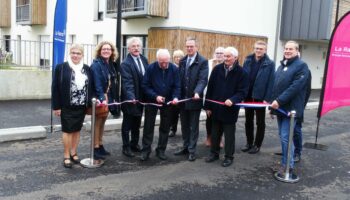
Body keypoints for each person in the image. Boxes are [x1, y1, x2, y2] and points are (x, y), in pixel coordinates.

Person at [204, 47, 249, 167]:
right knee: (215, 133)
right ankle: (214, 153)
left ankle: (229, 157)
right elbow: (210, 88)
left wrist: (233, 100)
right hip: (215, 108)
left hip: (230, 109)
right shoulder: (217, 69)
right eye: (225, 56)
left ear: (235, 57)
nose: (226, 58)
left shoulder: (242, 73)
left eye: (228, 56)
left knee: (229, 135)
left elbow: (243, 91)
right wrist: (207, 106)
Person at [270, 40, 310, 175]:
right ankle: (285, 162)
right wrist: (273, 107)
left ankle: (288, 165)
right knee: (283, 136)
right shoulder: (282, 66)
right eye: (286, 48)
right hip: (280, 108)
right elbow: (276, 87)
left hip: (290, 110)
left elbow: (295, 87)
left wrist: (279, 101)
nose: (287, 51)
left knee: (286, 137)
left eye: (290, 49)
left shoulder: (302, 66)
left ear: (297, 51)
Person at [52, 44, 93, 168]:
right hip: (66, 105)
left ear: (82, 55)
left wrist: (89, 104)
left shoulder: (86, 69)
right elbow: (55, 88)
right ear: (70, 54)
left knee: (76, 130)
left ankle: (74, 152)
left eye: (78, 53)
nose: (75, 55)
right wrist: (56, 106)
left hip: (81, 106)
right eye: (73, 53)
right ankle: (66, 155)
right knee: (67, 130)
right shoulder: (62, 68)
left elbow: (89, 87)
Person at [140, 49, 181, 161]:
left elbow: (177, 86)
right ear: (157, 59)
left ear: (169, 59)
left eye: (166, 62)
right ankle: (145, 151)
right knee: (148, 126)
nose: (164, 64)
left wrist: (175, 97)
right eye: (161, 62)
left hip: (168, 102)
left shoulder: (174, 69)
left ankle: (161, 150)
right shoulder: (151, 68)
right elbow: (145, 85)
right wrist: (155, 96)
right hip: (152, 101)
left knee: (165, 127)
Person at [174, 37, 208, 161]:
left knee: (193, 126)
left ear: (196, 47)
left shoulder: (203, 61)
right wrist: (176, 96)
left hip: (195, 100)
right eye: (187, 46)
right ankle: (185, 146)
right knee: (184, 125)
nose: (189, 48)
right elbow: (178, 80)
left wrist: (198, 92)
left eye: (191, 46)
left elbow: (203, 79)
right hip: (183, 100)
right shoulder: (182, 61)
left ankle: (192, 150)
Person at [241, 40, 275, 154]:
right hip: (248, 96)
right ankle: (249, 143)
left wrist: (267, 98)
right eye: (256, 48)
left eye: (261, 49)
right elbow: (243, 77)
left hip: (260, 97)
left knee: (260, 122)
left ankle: (257, 145)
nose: (258, 50)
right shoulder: (248, 60)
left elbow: (271, 82)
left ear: (265, 50)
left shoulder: (270, 63)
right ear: (254, 48)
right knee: (248, 121)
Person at [120, 37, 149, 157]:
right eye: (133, 46)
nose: (136, 48)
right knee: (127, 124)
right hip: (130, 98)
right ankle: (126, 147)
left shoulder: (144, 59)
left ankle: (134, 144)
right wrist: (131, 97)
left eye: (138, 46)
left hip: (141, 98)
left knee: (137, 123)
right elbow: (127, 82)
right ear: (129, 48)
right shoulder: (125, 63)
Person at [90, 41, 119, 160]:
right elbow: (97, 83)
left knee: (102, 123)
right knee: (97, 123)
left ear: (112, 51)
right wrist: (102, 98)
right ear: (99, 51)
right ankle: (95, 148)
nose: (106, 51)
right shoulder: (96, 64)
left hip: (108, 97)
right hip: (100, 97)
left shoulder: (110, 64)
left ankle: (100, 144)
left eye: (108, 49)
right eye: (104, 49)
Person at [205, 46, 225, 147]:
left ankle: (220, 139)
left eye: (221, 53)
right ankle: (209, 137)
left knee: (221, 119)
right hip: (209, 95)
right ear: (214, 54)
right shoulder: (208, 63)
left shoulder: (227, 65)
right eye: (217, 53)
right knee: (209, 118)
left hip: (222, 97)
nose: (219, 55)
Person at [293, 67, 312, 162]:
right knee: (287, 130)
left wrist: (301, 107)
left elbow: (307, 91)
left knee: (296, 130)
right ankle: (289, 150)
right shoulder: (286, 68)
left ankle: (297, 152)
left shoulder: (305, 70)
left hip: (298, 106)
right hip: (287, 105)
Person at [169, 49, 184, 138]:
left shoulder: (184, 67)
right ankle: (172, 129)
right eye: (176, 57)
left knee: (183, 114)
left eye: (180, 57)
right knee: (173, 114)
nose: (178, 59)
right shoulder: (171, 67)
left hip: (183, 95)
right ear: (173, 58)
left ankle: (184, 130)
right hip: (173, 94)